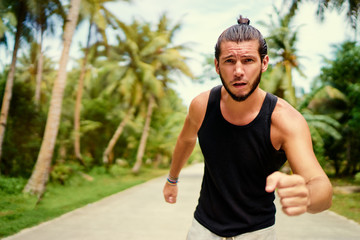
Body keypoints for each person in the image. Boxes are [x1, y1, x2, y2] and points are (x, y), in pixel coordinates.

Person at [163, 15, 332, 240]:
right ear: (217, 65)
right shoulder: (202, 106)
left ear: (264, 63)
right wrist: (172, 179)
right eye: (230, 61)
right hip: (203, 229)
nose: (239, 71)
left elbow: (321, 187)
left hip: (258, 233)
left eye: (248, 60)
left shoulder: (285, 120)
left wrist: (308, 196)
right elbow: (186, 139)